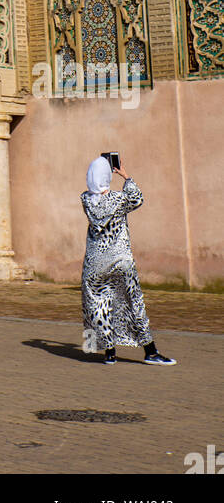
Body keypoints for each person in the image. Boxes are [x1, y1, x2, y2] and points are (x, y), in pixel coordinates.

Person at [81, 156, 176, 365]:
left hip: (95, 263)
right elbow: (137, 198)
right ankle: (150, 351)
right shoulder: (119, 199)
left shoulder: (86, 200)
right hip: (120, 259)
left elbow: (96, 194)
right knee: (134, 302)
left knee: (97, 305)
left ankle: (108, 353)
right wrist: (125, 176)